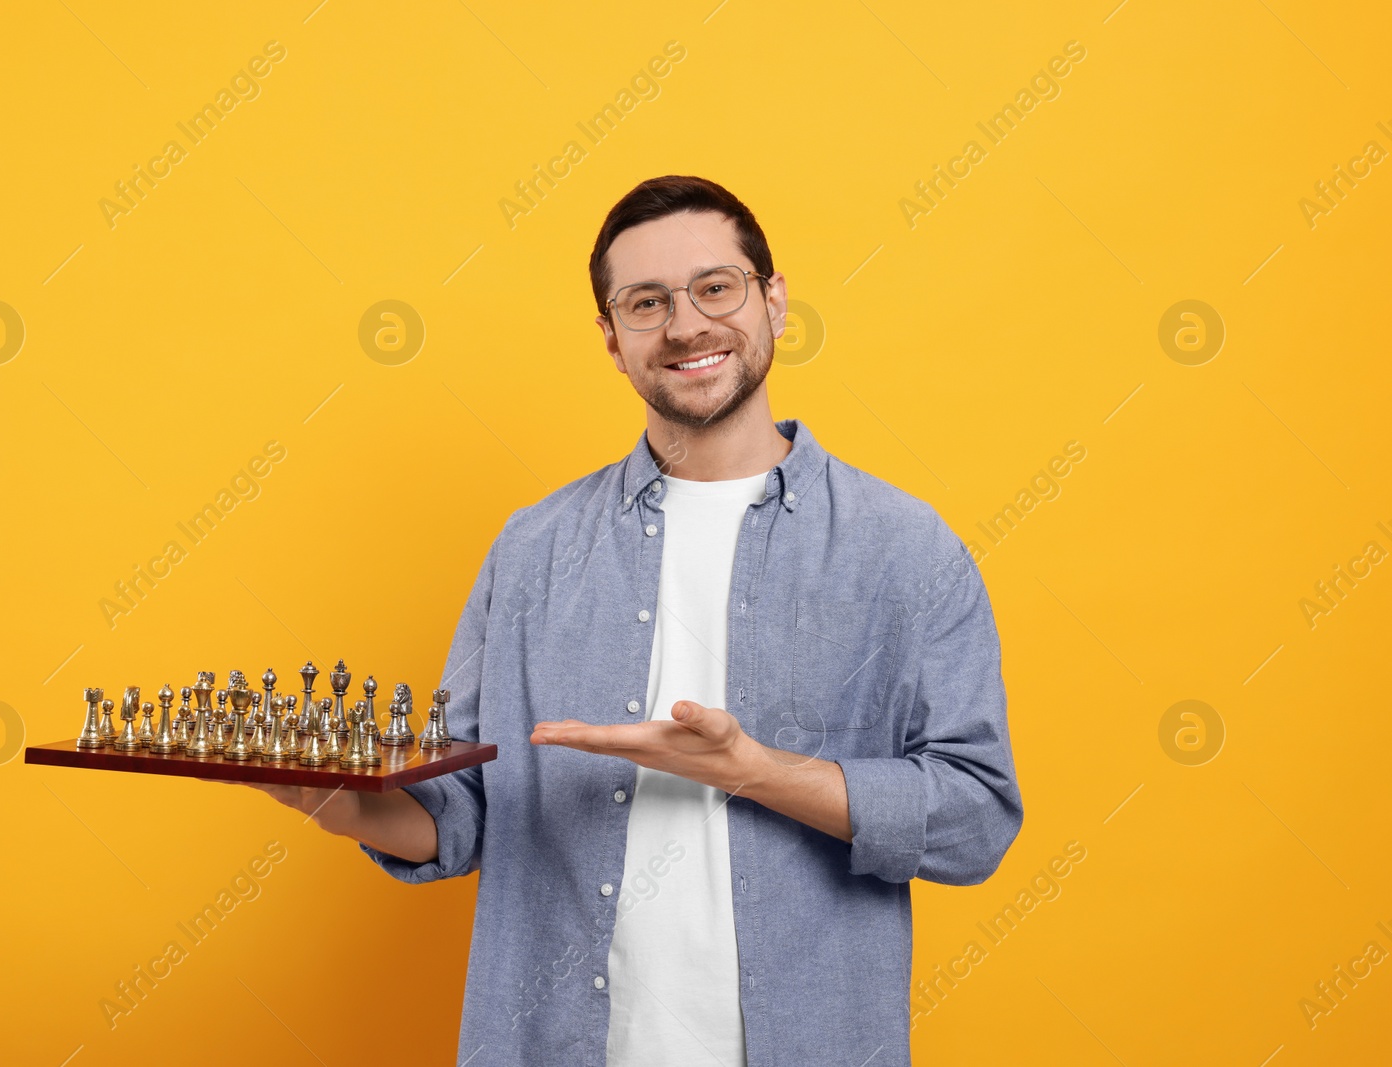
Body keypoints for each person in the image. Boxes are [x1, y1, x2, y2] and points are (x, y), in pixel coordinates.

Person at [244, 175, 1022, 1066]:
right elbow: (461, 812)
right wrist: (349, 808)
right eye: (647, 303)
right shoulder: (532, 549)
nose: (687, 324)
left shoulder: (906, 549)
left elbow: (976, 819)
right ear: (613, 340)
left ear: (773, 301)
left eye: (715, 287)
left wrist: (756, 770)